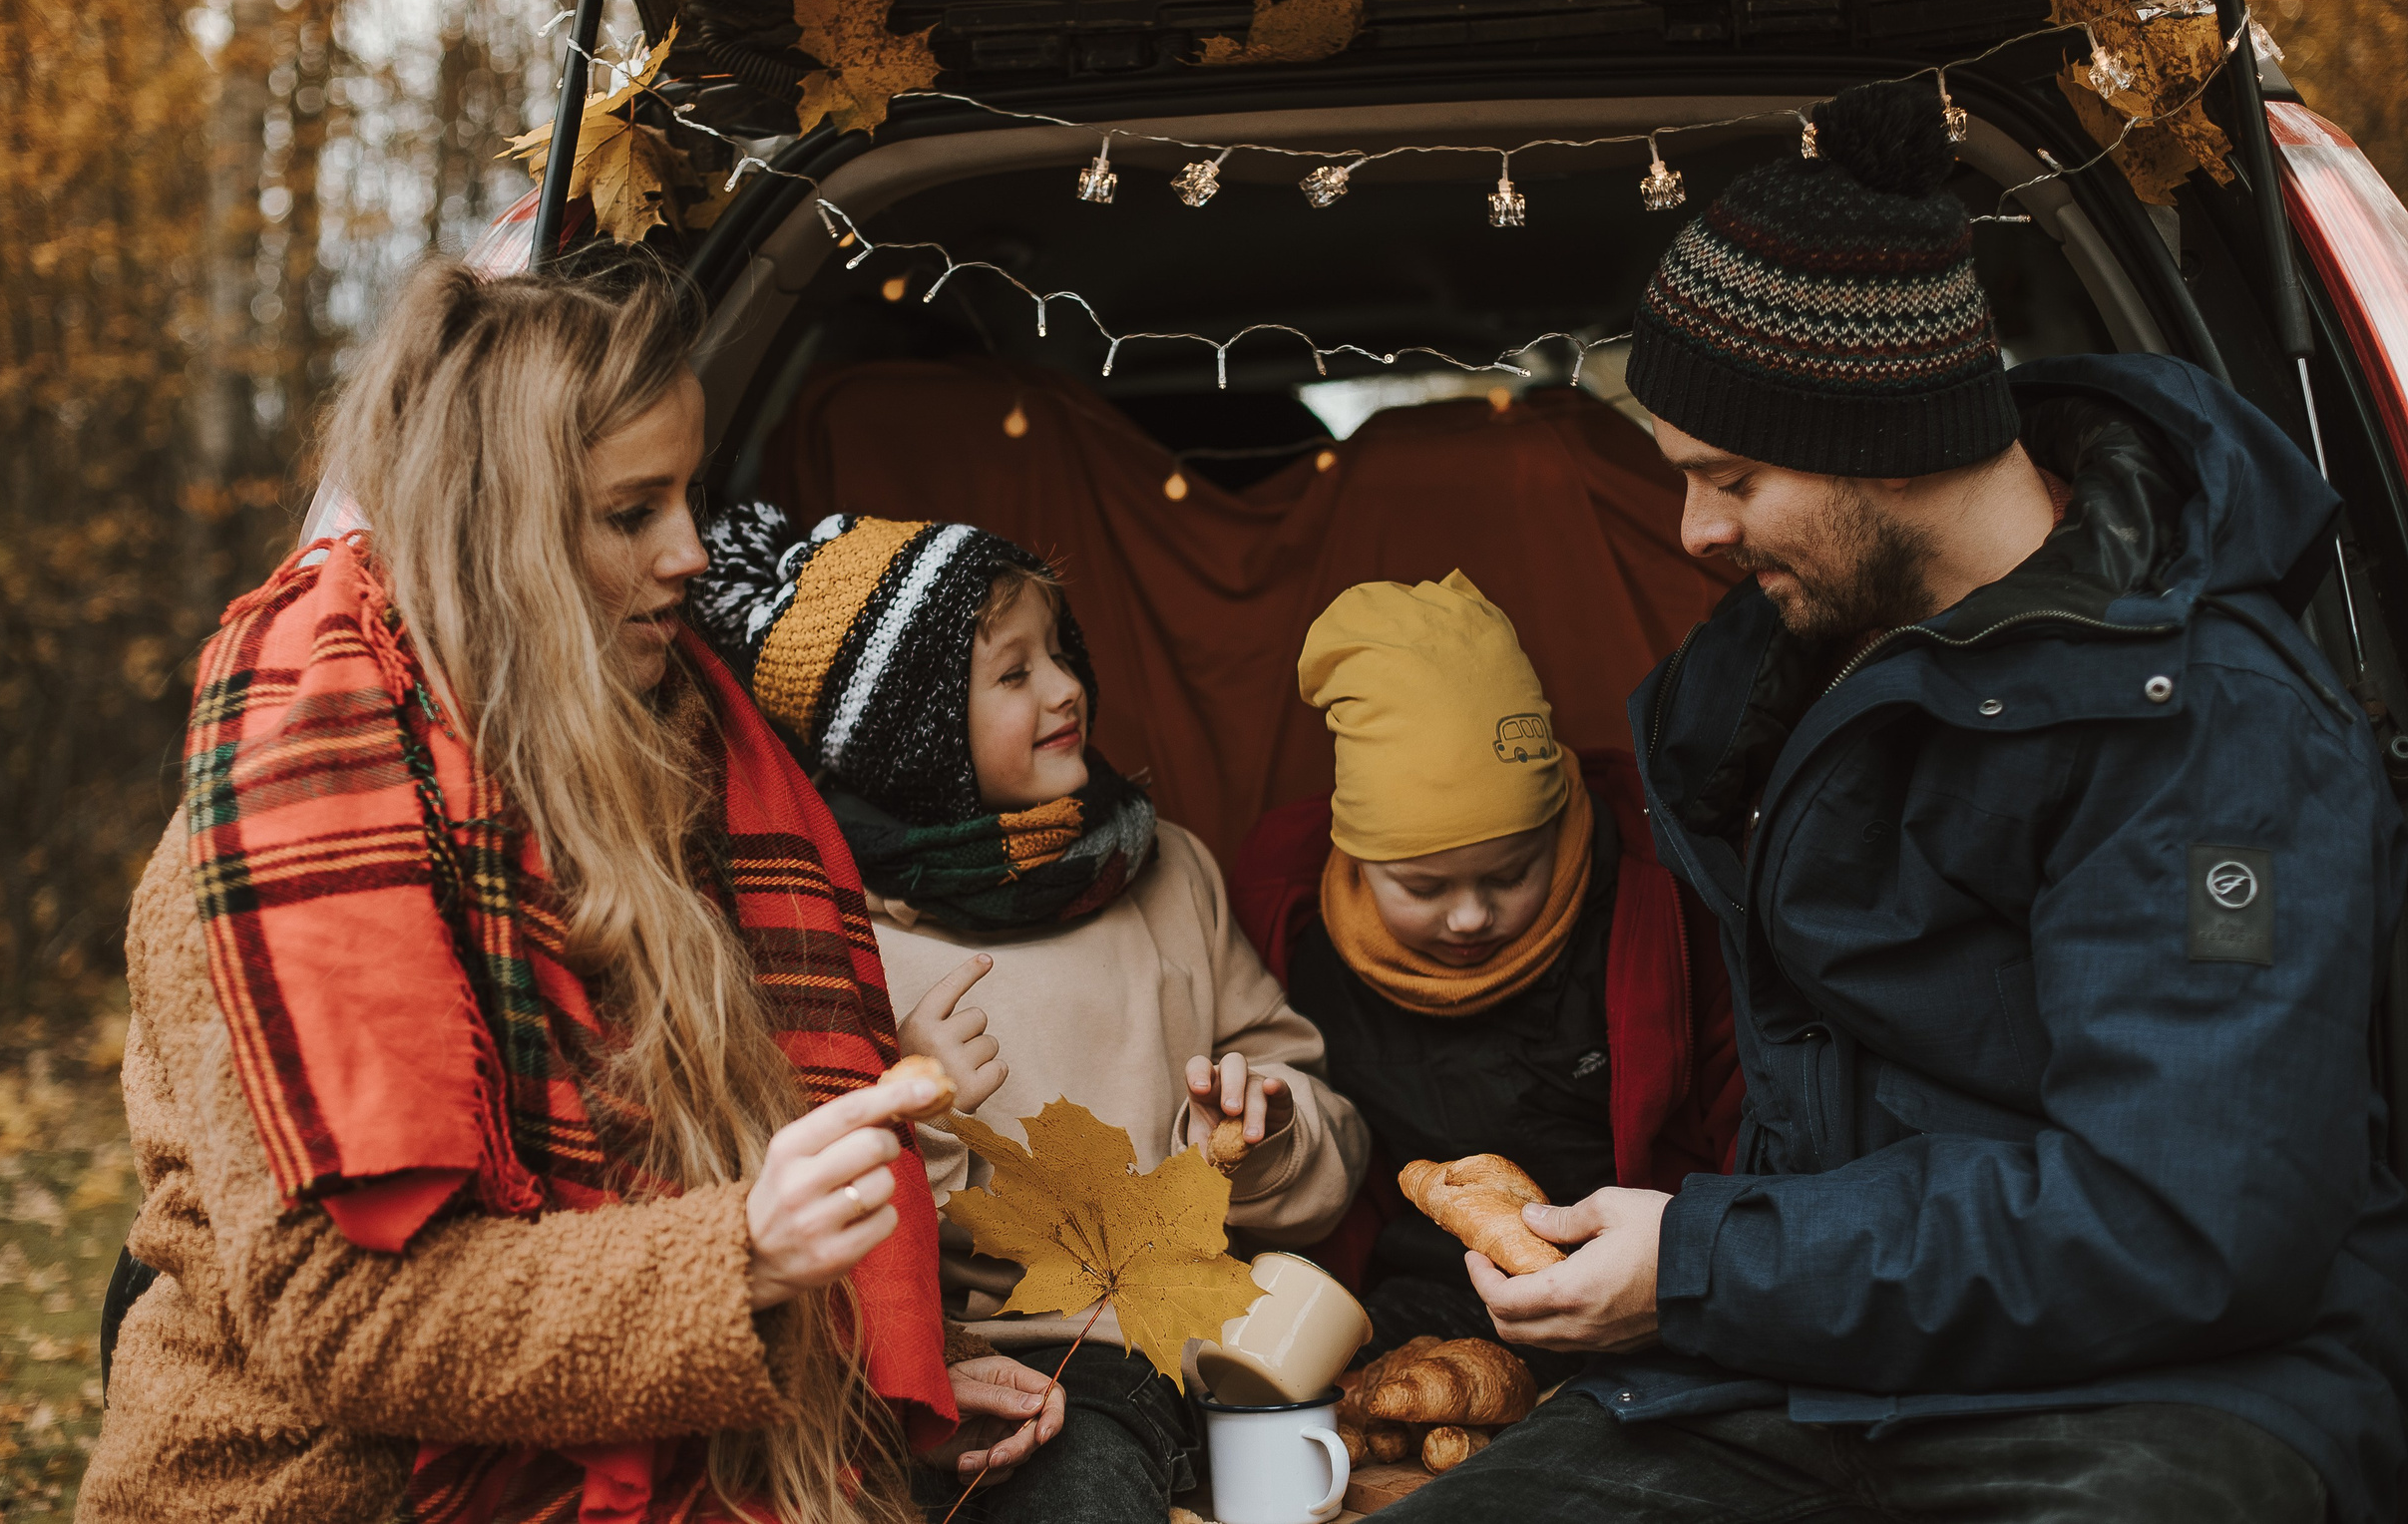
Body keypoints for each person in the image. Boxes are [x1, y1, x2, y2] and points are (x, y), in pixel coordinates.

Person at [1384, 77, 2408, 1523]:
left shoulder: (2211, 723)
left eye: (1729, 475)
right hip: (1805, 1373)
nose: (1695, 532)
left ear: (1892, 436)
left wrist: (1699, 1263)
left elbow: (2190, 1215)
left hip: (2179, 1391)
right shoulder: (1771, 682)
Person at [79, 264, 1064, 1524]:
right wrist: (744, 1257)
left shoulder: (671, 761)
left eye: (689, 495)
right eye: (628, 512)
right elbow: (345, 1321)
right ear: (492, 532)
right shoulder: (294, 826)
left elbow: (691, 1180)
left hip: (688, 1446)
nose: (689, 551)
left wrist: (857, 1390)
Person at [696, 504, 1370, 1524]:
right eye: (1013, 673)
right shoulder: (838, 935)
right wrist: (910, 1110)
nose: (1065, 687)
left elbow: (1321, 1117)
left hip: (1233, 1348)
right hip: (1034, 1370)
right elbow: (796, 1219)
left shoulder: (1166, 869)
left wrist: (1267, 1135)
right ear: (911, 742)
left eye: (1059, 652)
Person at [1280, 571, 1621, 1391]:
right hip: (1428, 1291)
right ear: (1357, 861)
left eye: (1511, 873)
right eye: (1424, 889)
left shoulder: (1641, 904)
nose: (1470, 917)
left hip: (1630, 1287)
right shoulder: (1299, 936)